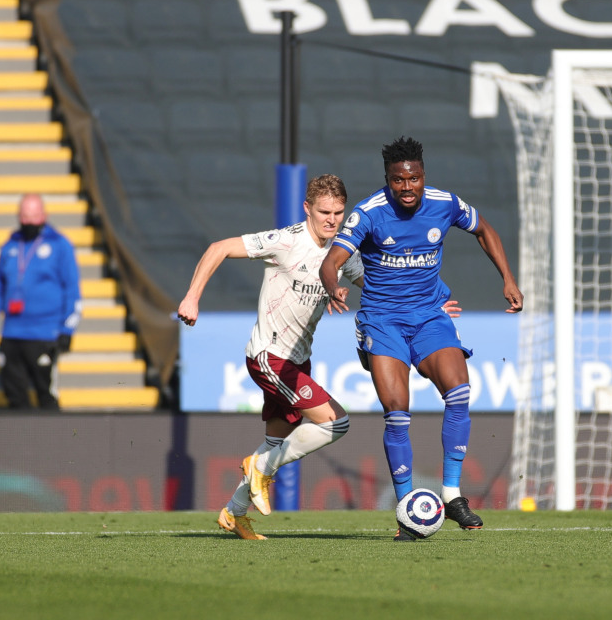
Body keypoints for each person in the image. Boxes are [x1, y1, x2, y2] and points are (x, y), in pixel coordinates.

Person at [177, 174, 459, 540]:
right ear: (307, 209)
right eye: (324, 212)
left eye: (339, 213)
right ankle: (259, 467)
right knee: (334, 423)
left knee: (277, 442)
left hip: (297, 361)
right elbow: (218, 247)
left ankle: (234, 512)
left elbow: (389, 283)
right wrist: (192, 297)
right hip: (269, 356)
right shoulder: (285, 241)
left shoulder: (346, 255)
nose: (332, 220)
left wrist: (431, 305)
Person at [320, 136, 523, 541]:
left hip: (430, 316)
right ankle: (405, 508)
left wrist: (508, 278)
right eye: (399, 181)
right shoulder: (369, 214)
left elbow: (484, 230)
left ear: (423, 176)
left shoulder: (445, 203)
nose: (407, 187)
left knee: (460, 390)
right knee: (397, 409)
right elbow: (332, 263)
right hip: (382, 322)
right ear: (388, 181)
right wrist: (333, 288)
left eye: (414, 179)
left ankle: (451, 495)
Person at [0, 193, 82, 410]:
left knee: (46, 394)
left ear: (44, 215)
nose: (29, 222)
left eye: (34, 216)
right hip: (12, 333)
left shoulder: (60, 245)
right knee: (15, 396)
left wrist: (67, 330)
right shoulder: (10, 246)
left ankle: (55, 442)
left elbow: (72, 291)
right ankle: (22, 442)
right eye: (25, 217)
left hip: (44, 334)